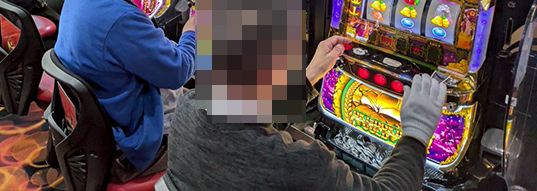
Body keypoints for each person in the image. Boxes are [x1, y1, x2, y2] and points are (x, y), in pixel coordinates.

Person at [163, 35, 448, 191]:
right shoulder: (301, 165)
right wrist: (416, 133)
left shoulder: (189, 107)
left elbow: (248, 114)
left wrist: (311, 75)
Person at [54, 0, 197, 183]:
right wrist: (192, 33)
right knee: (216, 128)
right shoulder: (120, 18)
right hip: (128, 145)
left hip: (93, 124)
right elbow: (178, 72)